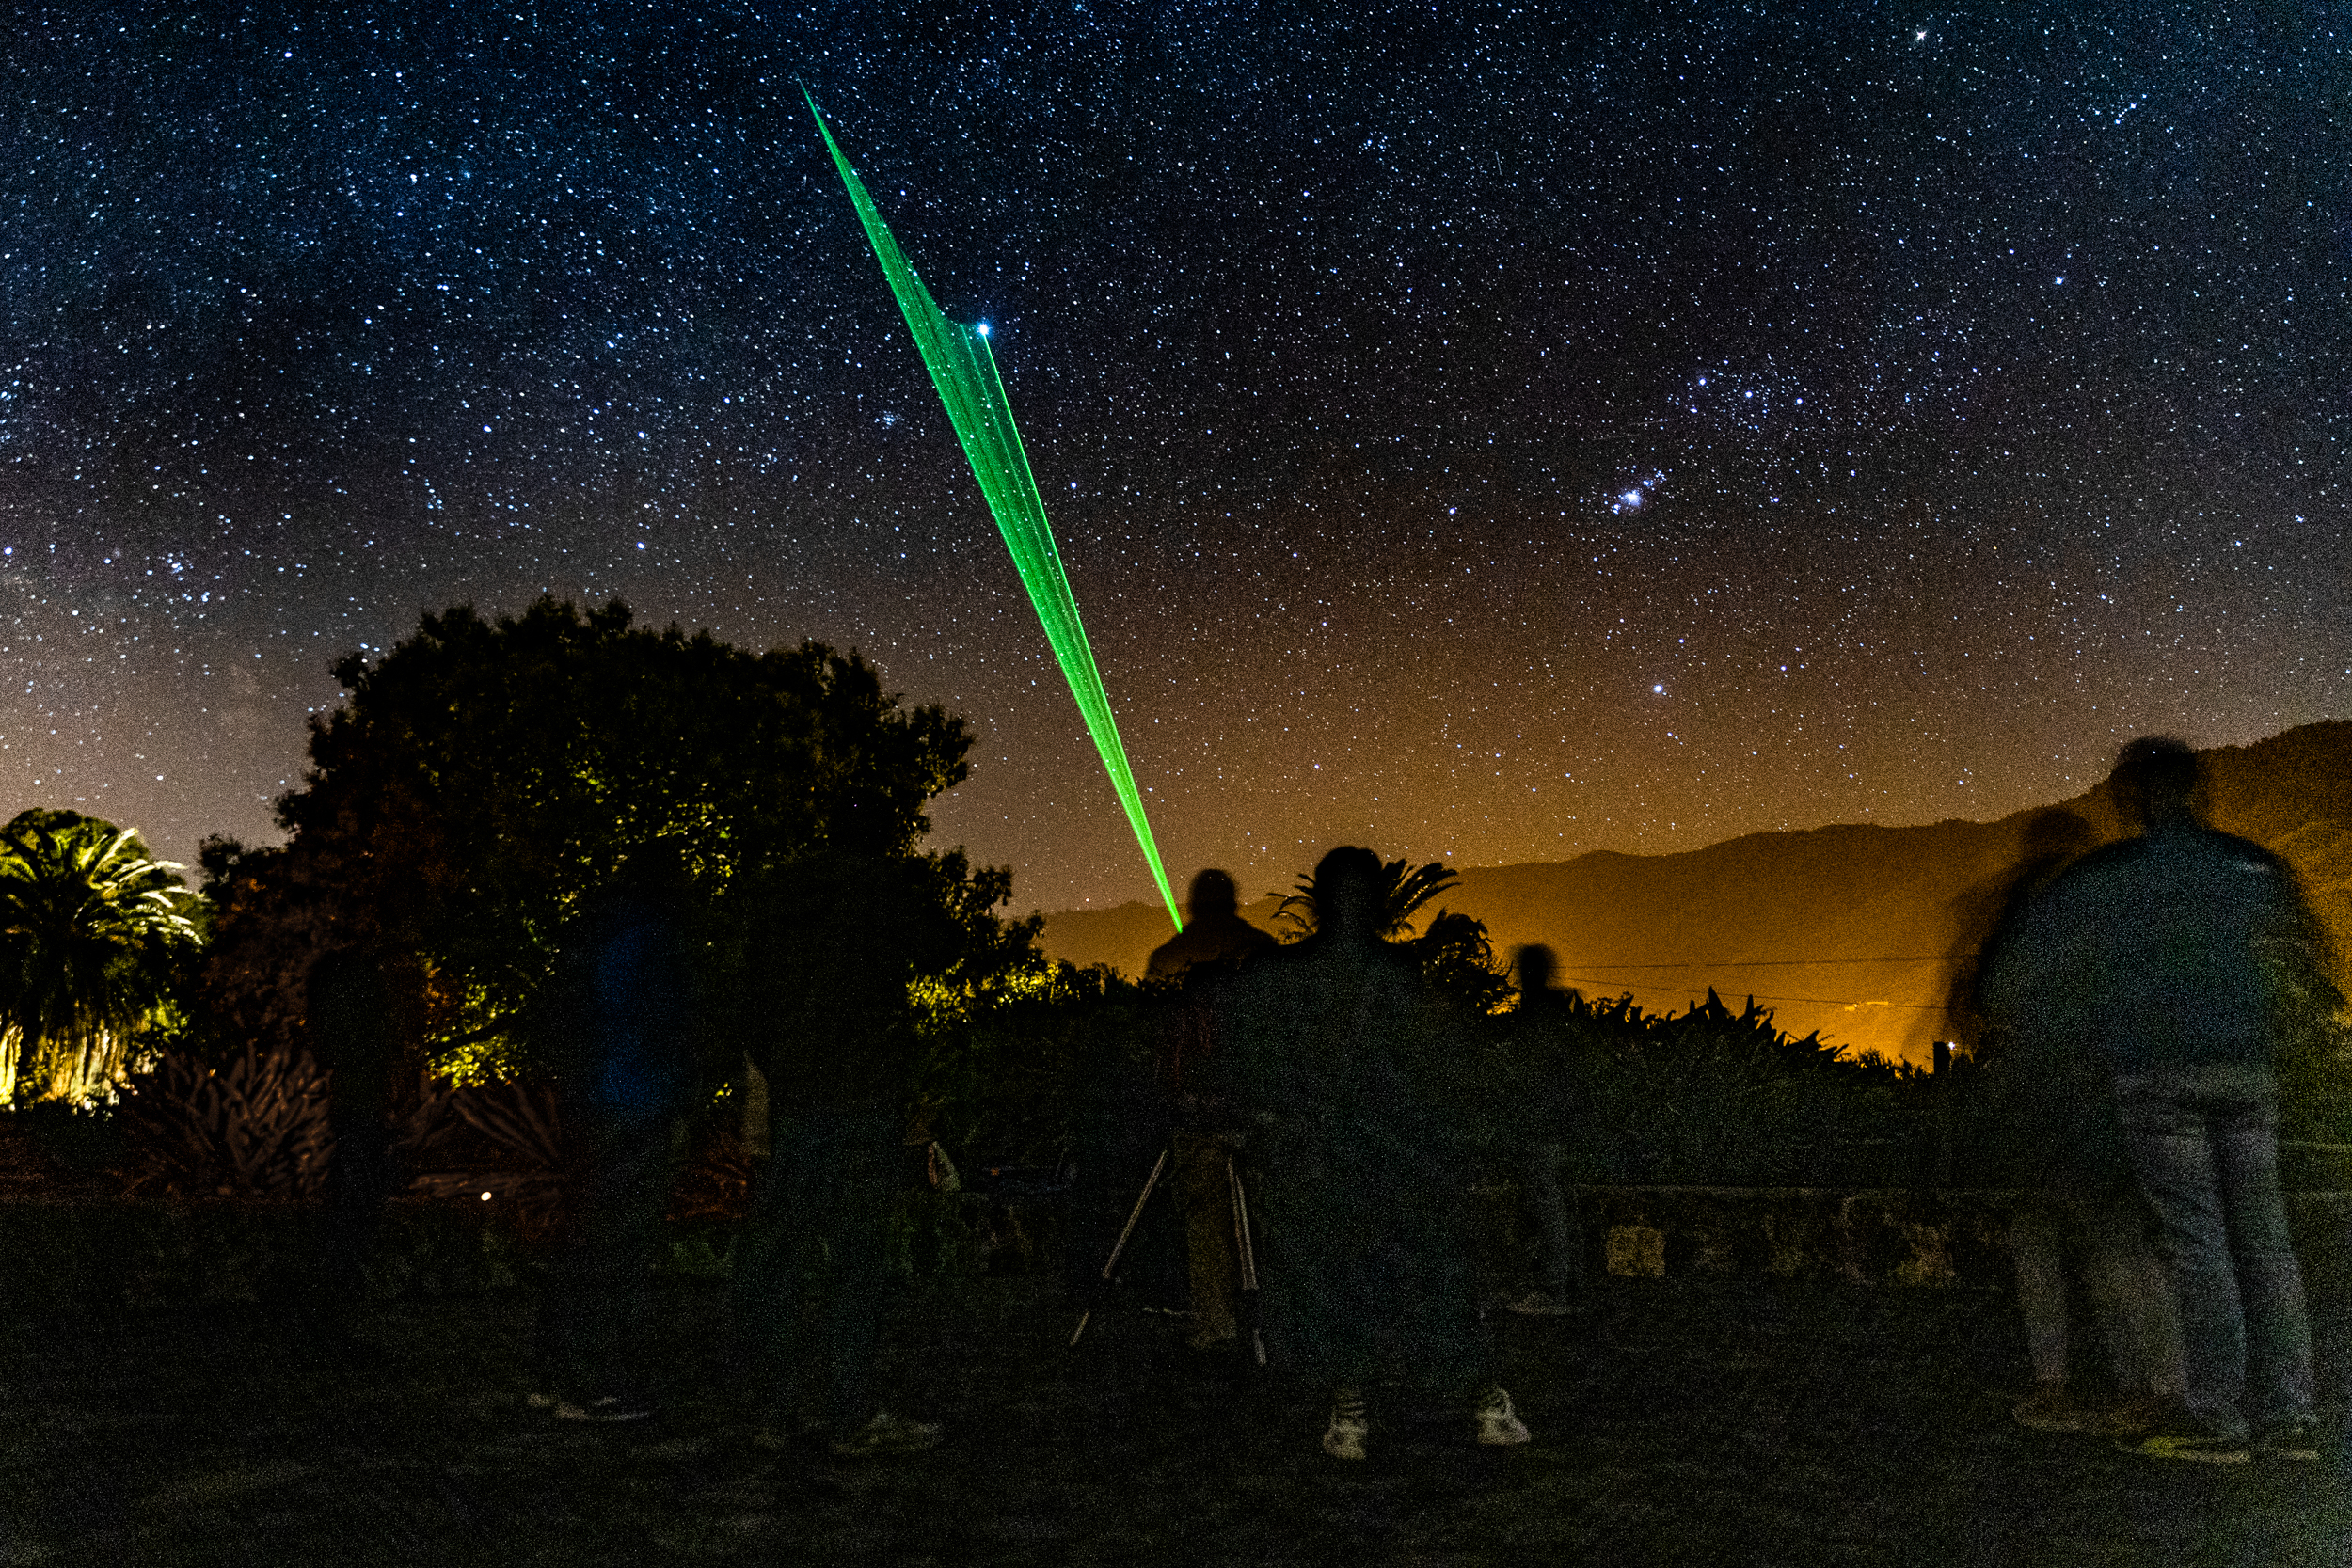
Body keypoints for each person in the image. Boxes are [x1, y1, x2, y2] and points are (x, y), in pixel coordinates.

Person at [1995, 737, 2335, 1464]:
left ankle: (2216, 1417)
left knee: (2198, 1241)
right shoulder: (2252, 864)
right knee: (2266, 1240)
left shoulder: (2105, 876)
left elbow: (2029, 974)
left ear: (2131, 798)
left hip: (2157, 1077)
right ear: (2195, 789)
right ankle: (2292, 1415)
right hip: (2248, 1071)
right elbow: (2309, 956)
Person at [1207, 846, 1532, 1460]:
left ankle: (1351, 1411)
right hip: (1401, 1157)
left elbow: (1251, 1060)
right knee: (1436, 1281)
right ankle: (1484, 1401)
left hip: (1326, 1160)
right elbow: (1425, 1071)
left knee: (1334, 1283)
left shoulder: (1285, 977)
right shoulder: (1398, 975)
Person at [730, 841, 961, 1459]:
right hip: (859, 1099)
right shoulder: (879, 889)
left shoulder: (783, 896)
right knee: (858, 1258)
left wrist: (783, 1071)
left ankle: (776, 1409)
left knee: (784, 1255)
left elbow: (750, 1004)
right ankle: (849, 1411)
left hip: (798, 1102)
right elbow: (944, 946)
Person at [1973, 810, 2185, 1437]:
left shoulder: (2025, 913)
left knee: (2064, 1240)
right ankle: (2150, 1385)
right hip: (2091, 1096)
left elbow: (1992, 995)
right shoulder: (2105, 911)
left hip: (2047, 1100)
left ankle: (2080, 1384)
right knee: (2112, 1242)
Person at [530, 846, 705, 1423]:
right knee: (620, 1243)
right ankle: (597, 1381)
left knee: (587, 1236)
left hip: (593, 1098)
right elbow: (669, 1022)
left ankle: (559, 1372)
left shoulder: (593, 933)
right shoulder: (657, 939)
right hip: (639, 1099)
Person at [1146, 870, 1278, 1355]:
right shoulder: (1262, 952)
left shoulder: (1168, 959)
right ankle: (1278, 1317)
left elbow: (1159, 1038)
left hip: (1194, 1113)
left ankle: (1216, 1322)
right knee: (1270, 1215)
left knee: (1204, 1224)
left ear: (1192, 904)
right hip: (1258, 1109)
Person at [296, 943, 405, 1358]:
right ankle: (329, 1328)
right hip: (360, 1117)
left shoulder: (338, 1015)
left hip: (356, 1116)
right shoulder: (356, 1016)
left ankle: (328, 1325)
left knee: (349, 1219)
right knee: (351, 1221)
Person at [1498, 944, 1590, 1317]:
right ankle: (1561, 1288)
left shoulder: (1540, 1013)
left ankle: (1555, 1292)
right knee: (1554, 1207)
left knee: (1549, 1208)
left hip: (1545, 1125)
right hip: (1553, 1125)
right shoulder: (1555, 1010)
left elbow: (1538, 1068)